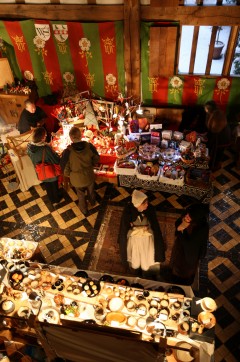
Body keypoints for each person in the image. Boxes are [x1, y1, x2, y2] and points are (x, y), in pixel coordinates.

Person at [118, 189, 166, 279]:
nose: (147, 205)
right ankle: (135, 271)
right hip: (135, 240)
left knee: (147, 255)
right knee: (135, 255)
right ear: (138, 204)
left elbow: (154, 225)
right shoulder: (128, 211)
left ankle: (147, 273)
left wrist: (145, 228)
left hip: (147, 239)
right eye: (145, 204)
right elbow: (125, 229)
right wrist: (137, 229)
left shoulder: (150, 209)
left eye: (147, 202)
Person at [60, 126, 100, 216]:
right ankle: (93, 202)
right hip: (89, 175)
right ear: (81, 135)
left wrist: (71, 175)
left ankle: (84, 210)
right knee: (91, 190)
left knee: (80, 195)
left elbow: (64, 169)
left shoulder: (67, 151)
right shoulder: (89, 146)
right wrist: (91, 164)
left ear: (70, 138)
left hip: (76, 179)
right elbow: (97, 158)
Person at [170, 203, 209, 286]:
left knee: (185, 275)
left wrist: (181, 229)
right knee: (175, 270)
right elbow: (177, 223)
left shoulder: (201, 227)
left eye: (190, 215)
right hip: (180, 250)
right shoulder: (185, 218)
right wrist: (181, 226)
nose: (187, 216)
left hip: (190, 256)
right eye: (187, 213)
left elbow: (192, 243)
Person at [27, 127, 63, 204]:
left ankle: (51, 199)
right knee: (54, 186)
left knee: (47, 186)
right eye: (45, 136)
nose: (46, 137)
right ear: (42, 138)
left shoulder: (29, 146)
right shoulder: (45, 148)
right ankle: (56, 199)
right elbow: (56, 160)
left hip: (40, 171)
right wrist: (56, 154)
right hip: (50, 172)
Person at [204, 100, 231, 171]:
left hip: (222, 137)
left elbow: (215, 130)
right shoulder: (213, 113)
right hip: (218, 135)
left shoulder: (218, 115)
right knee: (217, 151)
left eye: (207, 108)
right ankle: (215, 163)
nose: (205, 110)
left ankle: (213, 166)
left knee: (216, 152)